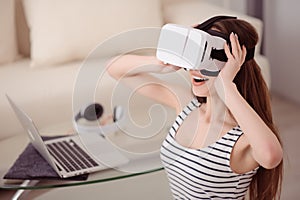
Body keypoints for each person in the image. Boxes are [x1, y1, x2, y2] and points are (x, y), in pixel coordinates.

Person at [107, 16, 283, 200]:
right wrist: (163, 61)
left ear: (234, 65)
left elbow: (271, 156)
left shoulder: (242, 139)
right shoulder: (186, 106)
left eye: (207, 60)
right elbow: (114, 68)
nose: (195, 69)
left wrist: (227, 87)